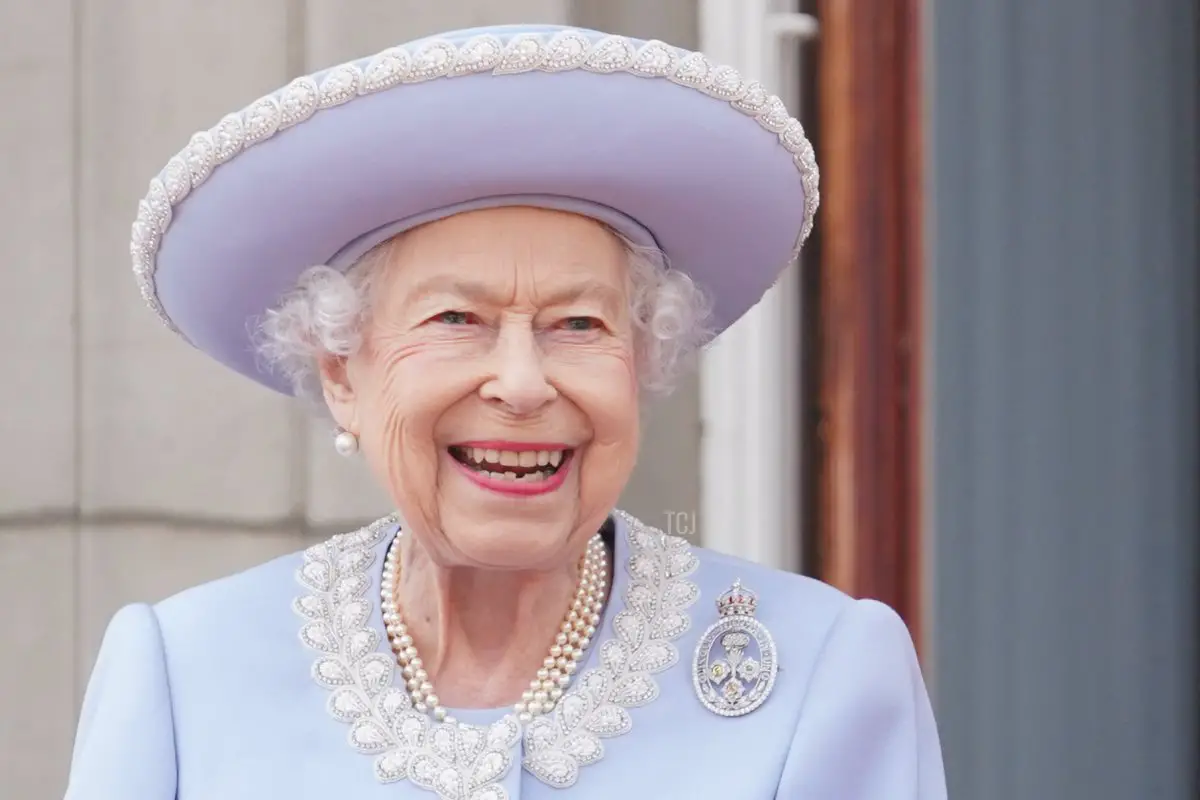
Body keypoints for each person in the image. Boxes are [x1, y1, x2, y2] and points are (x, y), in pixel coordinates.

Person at [65, 23, 946, 800]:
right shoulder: (185, 673)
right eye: (457, 320)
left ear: (639, 364)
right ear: (342, 375)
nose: (523, 384)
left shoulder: (819, 673)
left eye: (577, 324)